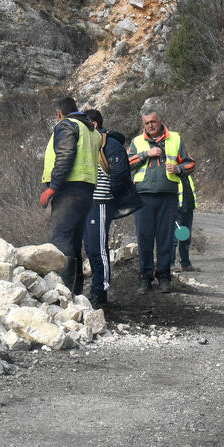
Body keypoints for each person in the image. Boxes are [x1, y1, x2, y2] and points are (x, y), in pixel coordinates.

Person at [127, 104, 196, 294]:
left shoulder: (175, 138)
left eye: (153, 122)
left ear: (160, 120)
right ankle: (145, 279)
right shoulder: (137, 141)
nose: (150, 125)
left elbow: (191, 163)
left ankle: (164, 277)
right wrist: (145, 154)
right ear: (143, 123)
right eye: (147, 123)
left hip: (168, 196)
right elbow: (127, 164)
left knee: (166, 238)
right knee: (144, 238)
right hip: (143, 197)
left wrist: (179, 169)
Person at [40, 97, 101, 295]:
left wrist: (53, 187)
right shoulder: (91, 131)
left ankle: (62, 294)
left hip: (68, 190)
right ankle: (75, 294)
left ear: (59, 113)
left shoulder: (66, 125)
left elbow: (66, 155)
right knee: (74, 244)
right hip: (87, 191)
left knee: (60, 242)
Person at [82, 109, 141, 307]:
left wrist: (111, 194)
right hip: (86, 203)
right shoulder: (87, 143)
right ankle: (96, 287)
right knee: (90, 248)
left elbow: (120, 173)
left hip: (100, 202)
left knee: (99, 248)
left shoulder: (110, 145)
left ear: (94, 124)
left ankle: (102, 290)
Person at [174, 173, 198, 272]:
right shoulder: (172, 175)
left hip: (188, 208)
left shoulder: (187, 175)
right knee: (174, 238)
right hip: (177, 210)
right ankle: (171, 264)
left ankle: (185, 263)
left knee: (186, 237)